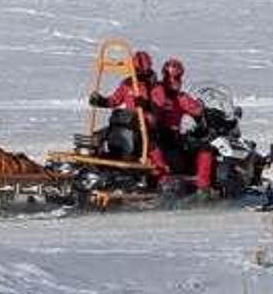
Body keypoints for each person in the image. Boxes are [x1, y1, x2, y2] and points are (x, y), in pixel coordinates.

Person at [88, 50, 170, 175]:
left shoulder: (155, 87)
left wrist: (146, 106)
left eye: (143, 71)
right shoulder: (127, 84)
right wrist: (101, 101)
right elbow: (115, 100)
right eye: (137, 70)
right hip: (126, 122)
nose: (140, 74)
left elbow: (160, 108)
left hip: (146, 125)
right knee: (97, 136)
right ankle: (95, 165)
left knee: (150, 144)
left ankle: (161, 171)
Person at [150, 58, 214, 193]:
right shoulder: (161, 93)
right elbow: (161, 106)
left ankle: (197, 183)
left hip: (166, 135)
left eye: (177, 77)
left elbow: (196, 109)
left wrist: (203, 108)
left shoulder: (174, 95)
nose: (175, 82)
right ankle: (203, 186)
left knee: (196, 145)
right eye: (172, 77)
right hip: (164, 136)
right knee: (205, 148)